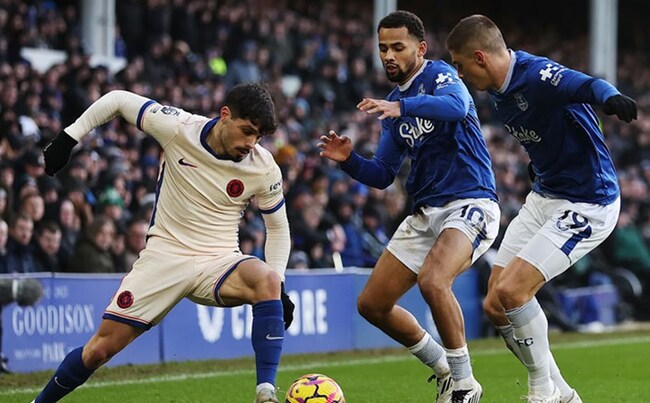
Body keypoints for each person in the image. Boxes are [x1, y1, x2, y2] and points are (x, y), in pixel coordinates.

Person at [32, 82, 295, 403]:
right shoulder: (178, 128)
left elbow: (278, 229)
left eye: (259, 136)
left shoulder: (264, 166)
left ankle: (265, 392)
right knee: (99, 350)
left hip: (220, 260)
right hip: (164, 258)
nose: (251, 143)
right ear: (225, 115)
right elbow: (118, 99)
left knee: (267, 279)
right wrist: (68, 137)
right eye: (247, 131)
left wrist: (279, 284)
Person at [446, 15, 638, 403]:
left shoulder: (535, 74)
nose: (461, 75)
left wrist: (611, 97)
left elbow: (585, 84)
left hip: (589, 201)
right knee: (495, 304)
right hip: (546, 196)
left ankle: (542, 392)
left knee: (514, 290)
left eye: (462, 66)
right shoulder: (498, 90)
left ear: (480, 57)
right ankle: (564, 393)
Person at [318, 11, 500, 403]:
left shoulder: (439, 77)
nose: (388, 55)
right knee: (372, 304)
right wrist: (349, 160)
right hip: (426, 212)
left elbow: (455, 107)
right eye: (383, 47)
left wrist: (404, 108)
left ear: (420, 48)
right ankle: (445, 371)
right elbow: (383, 173)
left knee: (434, 280)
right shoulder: (395, 105)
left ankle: (466, 384)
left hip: (470, 202)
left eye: (397, 47)